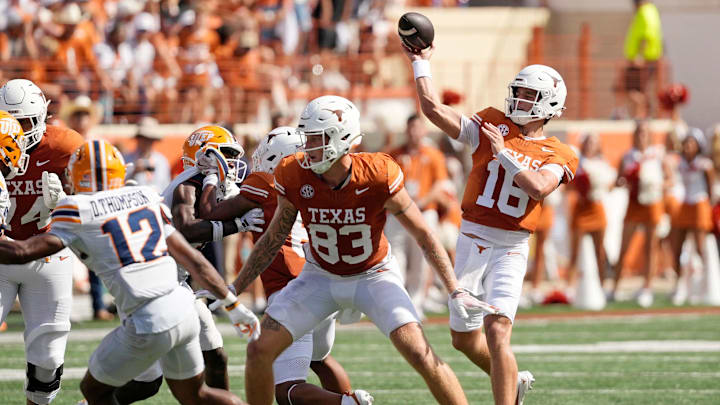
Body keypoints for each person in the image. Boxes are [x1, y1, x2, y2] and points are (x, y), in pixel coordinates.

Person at [233, 96, 492, 405]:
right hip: (319, 277)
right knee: (259, 349)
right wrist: (233, 288)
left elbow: (423, 233)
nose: (307, 147)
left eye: (316, 138)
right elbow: (273, 237)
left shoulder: (377, 173)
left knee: (419, 352)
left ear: (342, 139)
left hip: (373, 275)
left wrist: (454, 289)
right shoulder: (293, 173)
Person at [0, 140, 257, 405]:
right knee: (198, 396)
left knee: (93, 391)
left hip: (147, 319)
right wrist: (233, 304)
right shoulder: (144, 196)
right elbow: (194, 260)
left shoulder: (75, 208)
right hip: (183, 306)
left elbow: (22, 253)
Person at [403, 42, 579, 404]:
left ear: (549, 104)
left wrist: (505, 154)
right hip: (471, 238)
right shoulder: (491, 122)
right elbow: (434, 111)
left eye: (531, 95)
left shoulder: (559, 151)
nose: (521, 100)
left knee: (498, 334)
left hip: (511, 247)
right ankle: (512, 380)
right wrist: (421, 64)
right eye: (520, 92)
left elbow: (540, 187)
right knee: (463, 339)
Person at [196, 126, 372, 404]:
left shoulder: (265, 182)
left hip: (292, 287)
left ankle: (349, 402)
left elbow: (208, 213)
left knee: (286, 390)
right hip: (323, 282)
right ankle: (348, 399)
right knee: (320, 359)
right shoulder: (314, 184)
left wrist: (209, 178)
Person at [0, 79, 85, 405]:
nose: (17, 131)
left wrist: (66, 200)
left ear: (41, 118)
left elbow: (94, 198)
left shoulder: (65, 146)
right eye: (9, 121)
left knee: (48, 360)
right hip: (2, 255)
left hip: (48, 254)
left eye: (23, 122)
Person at [386, 114, 452, 317]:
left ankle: (415, 304)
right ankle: (397, 302)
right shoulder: (395, 154)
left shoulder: (433, 155)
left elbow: (440, 184)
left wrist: (421, 202)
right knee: (396, 259)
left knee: (421, 261)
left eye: (418, 128)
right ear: (406, 130)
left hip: (424, 211)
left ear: (424, 131)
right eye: (411, 128)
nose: (414, 132)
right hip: (398, 213)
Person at [609, 120, 669, 307]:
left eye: (644, 132)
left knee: (650, 246)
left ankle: (647, 288)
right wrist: (628, 180)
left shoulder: (657, 155)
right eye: (638, 132)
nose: (641, 135)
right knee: (624, 245)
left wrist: (656, 185)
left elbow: (670, 179)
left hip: (652, 203)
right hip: (634, 204)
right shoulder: (628, 156)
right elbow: (618, 180)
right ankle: (615, 287)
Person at [668, 129, 715, 305]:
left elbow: (711, 190)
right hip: (684, 205)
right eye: (686, 143)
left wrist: (709, 208)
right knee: (677, 248)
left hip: (699, 204)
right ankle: (679, 286)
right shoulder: (679, 163)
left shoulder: (704, 164)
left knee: (700, 248)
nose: (687, 146)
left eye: (691, 143)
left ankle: (703, 285)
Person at [566, 133, 615, 296]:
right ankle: (570, 287)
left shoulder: (603, 163)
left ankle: (602, 286)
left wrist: (596, 187)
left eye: (593, 143)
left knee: (599, 250)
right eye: (588, 142)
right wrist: (581, 187)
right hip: (581, 208)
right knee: (575, 250)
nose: (590, 146)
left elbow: (610, 185)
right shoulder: (577, 162)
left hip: (597, 207)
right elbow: (568, 187)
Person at [622, 0, 663, 118]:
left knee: (633, 91)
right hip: (649, 59)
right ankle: (644, 114)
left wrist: (640, 56)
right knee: (640, 91)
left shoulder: (644, 12)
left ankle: (641, 115)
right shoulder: (652, 10)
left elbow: (645, 35)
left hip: (641, 61)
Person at [125, 117, 171, 194]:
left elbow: (166, 188)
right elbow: (120, 188)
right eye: (143, 138)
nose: (146, 142)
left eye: (150, 139)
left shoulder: (162, 161)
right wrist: (133, 172)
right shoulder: (127, 160)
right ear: (138, 138)